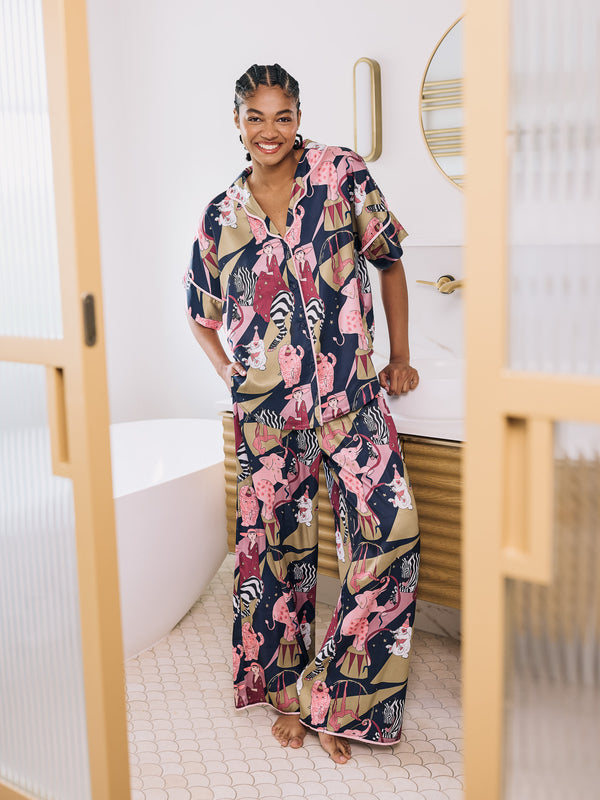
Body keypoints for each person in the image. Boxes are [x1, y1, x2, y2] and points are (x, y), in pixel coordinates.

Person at [185, 63, 420, 764]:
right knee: (276, 554)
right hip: (267, 413)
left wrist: (398, 355)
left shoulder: (339, 173)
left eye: (281, 115)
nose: (269, 130)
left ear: (298, 116)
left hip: (351, 398)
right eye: (255, 117)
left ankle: (338, 697)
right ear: (236, 121)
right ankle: (287, 695)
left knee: (391, 532)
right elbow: (201, 315)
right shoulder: (221, 215)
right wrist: (232, 374)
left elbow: (391, 260)